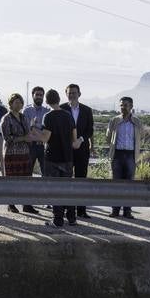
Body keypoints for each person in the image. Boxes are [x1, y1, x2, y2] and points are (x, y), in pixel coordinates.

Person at [35, 88, 82, 227]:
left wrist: (34, 129)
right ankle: (72, 218)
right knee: (68, 189)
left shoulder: (48, 116)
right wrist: (80, 140)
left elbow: (45, 138)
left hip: (52, 158)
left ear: (47, 101)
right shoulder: (68, 116)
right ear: (59, 99)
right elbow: (74, 142)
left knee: (55, 189)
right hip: (67, 158)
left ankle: (58, 220)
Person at [1, 93, 39, 215]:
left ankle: (27, 204)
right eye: (16, 102)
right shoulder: (6, 119)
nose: (19, 104)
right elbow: (8, 138)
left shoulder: (23, 118)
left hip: (25, 153)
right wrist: (23, 138)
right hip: (12, 154)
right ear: (11, 104)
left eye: (20, 102)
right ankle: (10, 204)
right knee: (12, 179)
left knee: (26, 179)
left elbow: (28, 133)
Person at [60, 83, 94, 219]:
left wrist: (80, 139)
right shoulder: (61, 109)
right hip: (65, 150)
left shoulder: (87, 110)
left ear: (79, 94)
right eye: (69, 93)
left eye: (74, 93)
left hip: (81, 149)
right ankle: (64, 209)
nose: (72, 95)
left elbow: (90, 129)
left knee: (81, 179)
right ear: (66, 94)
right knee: (65, 181)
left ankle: (81, 210)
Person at [106, 96, 142, 219]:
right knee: (116, 183)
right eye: (121, 105)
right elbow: (108, 137)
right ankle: (115, 210)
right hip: (117, 155)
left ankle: (127, 211)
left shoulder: (137, 122)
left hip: (131, 155)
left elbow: (140, 137)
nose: (123, 107)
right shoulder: (114, 121)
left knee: (129, 184)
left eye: (126, 105)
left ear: (131, 106)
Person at [24, 86, 49, 176]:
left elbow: (47, 130)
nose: (39, 97)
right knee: (27, 172)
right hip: (31, 146)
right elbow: (27, 129)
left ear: (43, 96)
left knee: (46, 172)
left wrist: (34, 126)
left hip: (44, 146)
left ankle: (45, 190)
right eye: (37, 94)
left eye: (41, 95)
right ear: (32, 96)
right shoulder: (26, 111)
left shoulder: (47, 111)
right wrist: (38, 128)